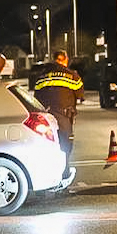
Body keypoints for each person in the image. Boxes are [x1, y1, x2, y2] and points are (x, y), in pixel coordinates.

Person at [34, 50, 84, 181]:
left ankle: (46, 176)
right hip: (63, 117)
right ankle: (64, 175)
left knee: (47, 146)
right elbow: (80, 94)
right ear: (65, 60)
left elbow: (36, 97)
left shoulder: (42, 76)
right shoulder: (71, 76)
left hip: (45, 118)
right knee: (65, 146)